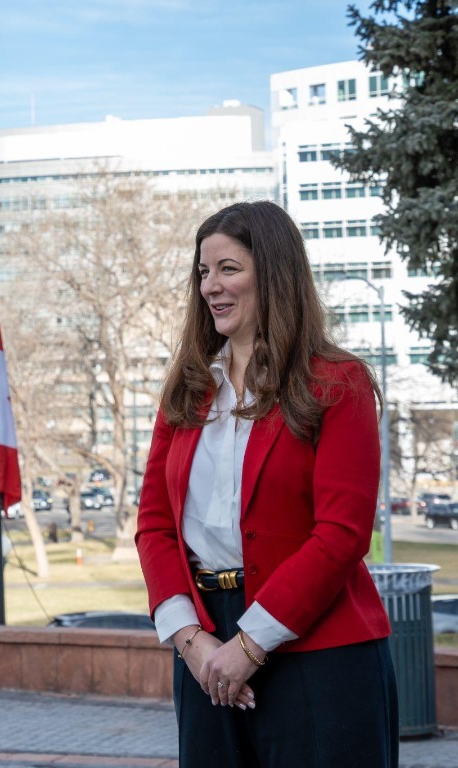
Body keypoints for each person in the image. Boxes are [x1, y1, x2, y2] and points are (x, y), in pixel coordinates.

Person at [135, 200, 398, 767]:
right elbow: (154, 526)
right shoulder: (185, 391)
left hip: (321, 650)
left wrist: (250, 645)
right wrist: (193, 641)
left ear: (273, 274)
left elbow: (342, 534)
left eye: (228, 268)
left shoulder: (337, 383)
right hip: (205, 649)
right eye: (203, 272)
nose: (210, 286)